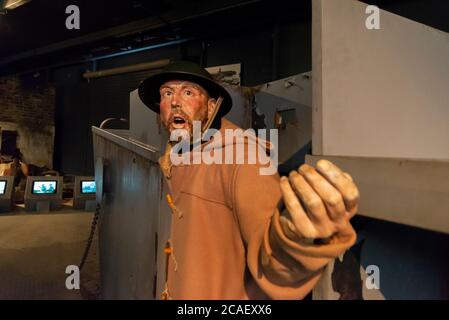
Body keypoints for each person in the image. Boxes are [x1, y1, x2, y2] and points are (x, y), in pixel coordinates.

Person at [138, 61, 359, 300]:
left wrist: (295, 240)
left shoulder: (244, 158)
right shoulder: (183, 154)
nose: (175, 102)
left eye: (188, 92)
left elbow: (271, 253)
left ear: (212, 106)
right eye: (167, 93)